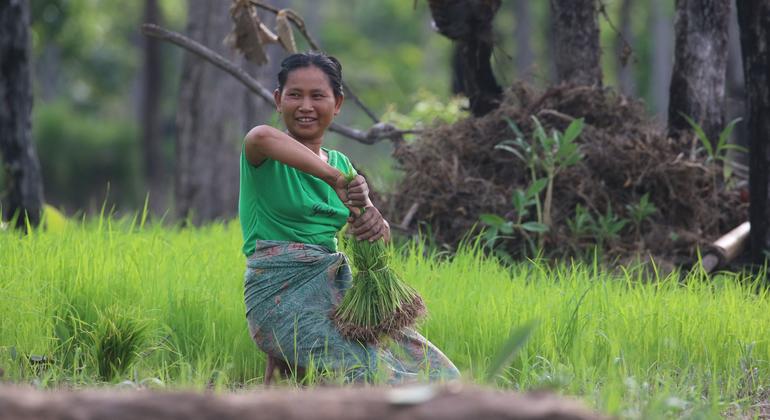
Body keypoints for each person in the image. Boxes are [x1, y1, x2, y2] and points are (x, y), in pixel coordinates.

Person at [239, 51, 459, 384]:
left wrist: (373, 217)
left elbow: (377, 236)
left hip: (336, 292)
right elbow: (259, 136)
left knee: (440, 373)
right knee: (369, 371)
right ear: (278, 100)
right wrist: (334, 179)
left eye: (318, 96)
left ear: (337, 103)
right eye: (294, 95)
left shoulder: (342, 163)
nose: (305, 106)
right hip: (278, 294)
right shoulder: (266, 152)